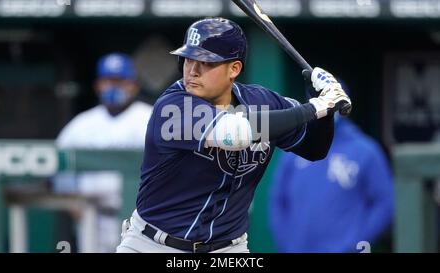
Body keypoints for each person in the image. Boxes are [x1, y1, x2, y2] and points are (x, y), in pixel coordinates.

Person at [116, 17, 351, 253]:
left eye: (205, 62)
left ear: (234, 69)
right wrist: (315, 108)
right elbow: (235, 134)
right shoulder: (173, 106)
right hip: (153, 244)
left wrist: (325, 113)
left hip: (227, 249)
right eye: (188, 59)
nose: (193, 71)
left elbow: (315, 149)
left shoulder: (263, 101)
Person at [55, 52, 153, 252]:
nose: (113, 87)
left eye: (120, 81)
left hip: (139, 220)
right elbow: (59, 164)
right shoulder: (81, 124)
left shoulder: (149, 118)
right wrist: (71, 202)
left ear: (133, 85)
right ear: (98, 85)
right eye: (108, 81)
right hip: (92, 218)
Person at [269, 114, 394, 253]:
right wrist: (287, 245)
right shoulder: (293, 151)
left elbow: (385, 202)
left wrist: (355, 242)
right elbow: (278, 200)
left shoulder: (365, 150)